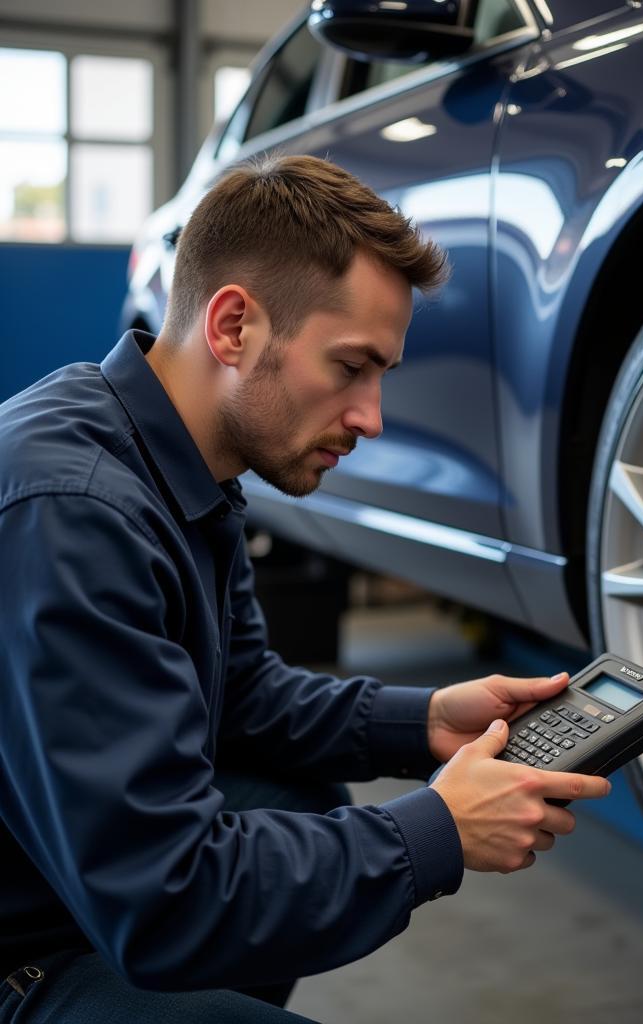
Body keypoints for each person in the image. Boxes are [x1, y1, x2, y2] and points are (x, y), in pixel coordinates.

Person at [0, 154, 611, 1023]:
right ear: (234, 327)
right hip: (25, 950)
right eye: (350, 367)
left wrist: (428, 720)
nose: (371, 418)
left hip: (63, 876)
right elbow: (164, 897)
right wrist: (437, 831)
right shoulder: (74, 513)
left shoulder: (175, 462)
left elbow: (242, 696)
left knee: (300, 794)